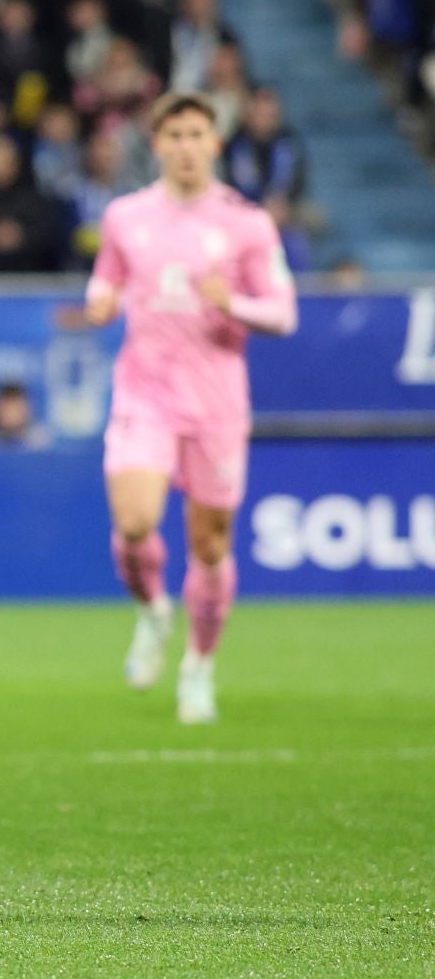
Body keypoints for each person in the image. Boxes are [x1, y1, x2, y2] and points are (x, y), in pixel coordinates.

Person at [85, 92, 297, 725]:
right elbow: (107, 276)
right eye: (173, 133)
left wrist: (233, 303)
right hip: (144, 394)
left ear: (215, 143)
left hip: (216, 405)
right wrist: (101, 300)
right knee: (135, 520)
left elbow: (283, 312)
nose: (184, 145)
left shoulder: (246, 222)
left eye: (196, 133)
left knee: (209, 546)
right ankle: (153, 609)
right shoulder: (126, 216)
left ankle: (199, 668)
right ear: (157, 144)